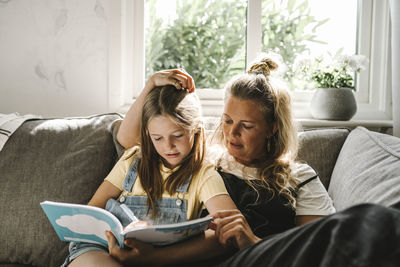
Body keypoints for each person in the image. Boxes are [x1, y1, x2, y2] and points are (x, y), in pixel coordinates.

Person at [106, 58, 338, 266]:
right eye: (227, 121)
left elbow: (316, 254)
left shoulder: (300, 178)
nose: (232, 133)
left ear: (272, 128)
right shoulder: (203, 158)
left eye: (246, 126)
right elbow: (128, 139)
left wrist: (252, 242)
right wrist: (150, 86)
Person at [63, 78, 237, 267]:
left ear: (195, 131)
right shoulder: (132, 160)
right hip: (100, 249)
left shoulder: (204, 175)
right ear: (148, 135)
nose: (168, 146)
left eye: (177, 136)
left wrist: (155, 257)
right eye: (158, 138)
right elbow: (94, 209)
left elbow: (230, 231)